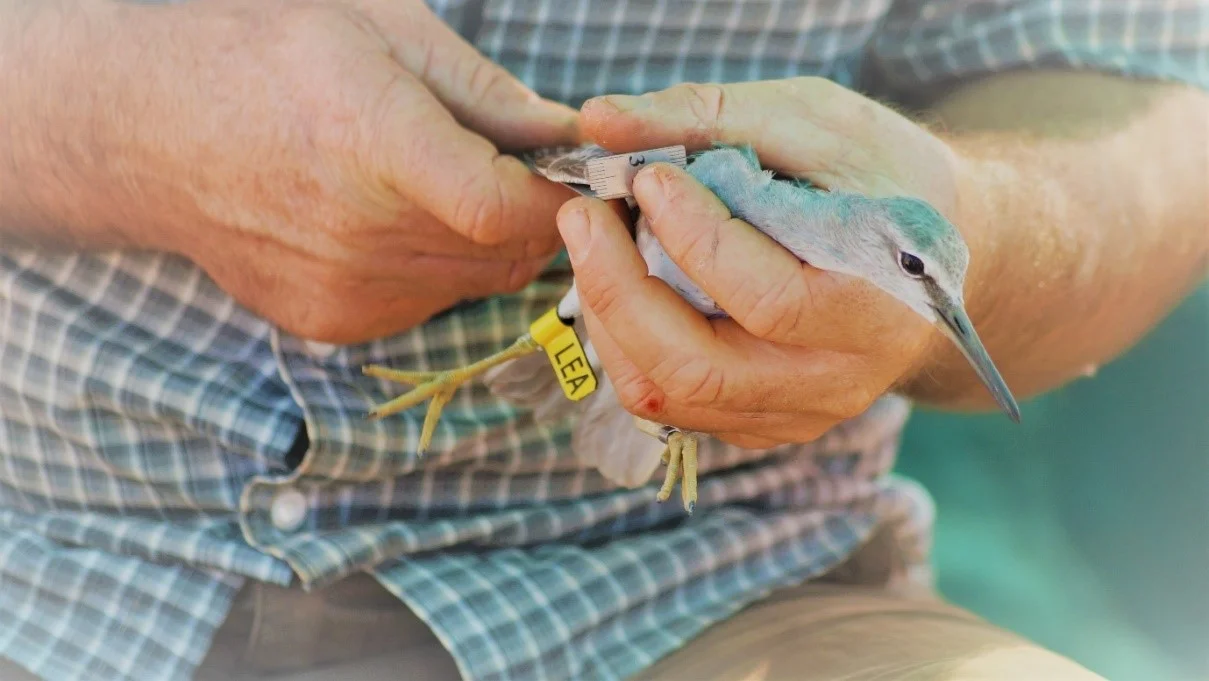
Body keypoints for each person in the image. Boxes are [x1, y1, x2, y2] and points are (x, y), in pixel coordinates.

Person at [1, 0, 1205, 679]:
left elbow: (1144, 84)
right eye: (919, 281)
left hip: (712, 580)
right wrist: (89, 112)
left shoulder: (812, 218)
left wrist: (984, 228)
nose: (931, 298)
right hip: (48, 557)